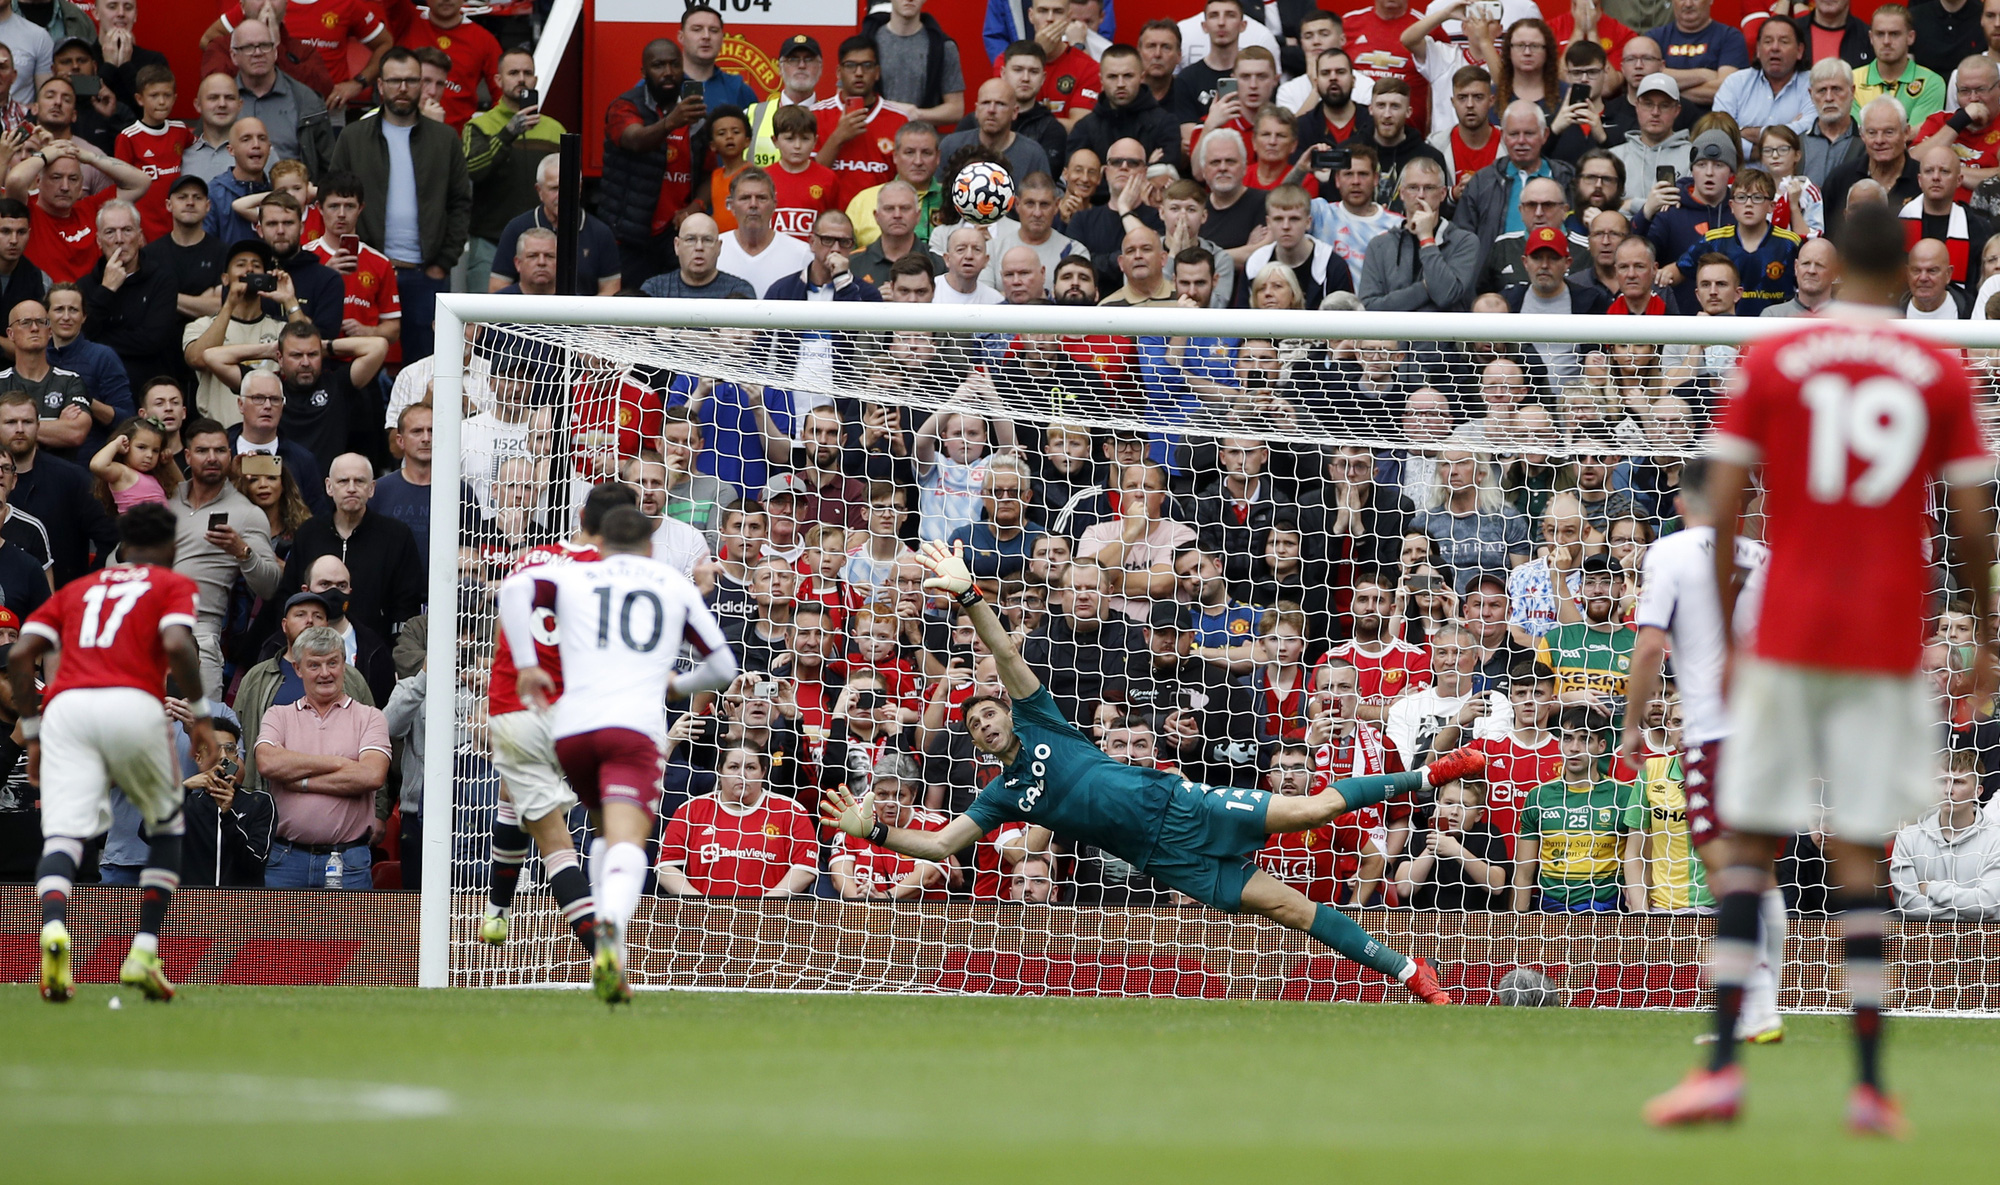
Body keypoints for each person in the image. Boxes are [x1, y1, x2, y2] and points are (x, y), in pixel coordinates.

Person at [1644, 205, 1997, 1134]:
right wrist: (1988, 633)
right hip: (1881, 643)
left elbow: (1724, 504)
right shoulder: (1940, 369)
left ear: (1834, 268)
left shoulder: (1774, 356)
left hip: (1792, 637)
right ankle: (1872, 1084)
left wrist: (1725, 621)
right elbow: (1967, 520)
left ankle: (1720, 1068)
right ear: (1905, 271)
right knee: (1858, 857)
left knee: (1748, 851)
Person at [824, 540, 1484, 1002]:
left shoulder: (1043, 720)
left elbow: (1000, 644)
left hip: (1183, 803)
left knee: (1310, 809)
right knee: (1291, 907)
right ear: (976, 745)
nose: (984, 723)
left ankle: (1428, 775)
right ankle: (1410, 972)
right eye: (973, 726)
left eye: (990, 712)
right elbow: (940, 845)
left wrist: (971, 595)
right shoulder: (1004, 793)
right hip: (1168, 859)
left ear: (1009, 710)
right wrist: (873, 833)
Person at [499, 504, 738, 1004]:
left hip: (573, 732)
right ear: (651, 547)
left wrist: (525, 665)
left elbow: (516, 590)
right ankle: (611, 935)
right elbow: (722, 665)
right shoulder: (671, 583)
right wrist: (678, 684)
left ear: (600, 543)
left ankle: (585, 932)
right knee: (629, 840)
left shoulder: (574, 576)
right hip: (633, 731)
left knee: (603, 828)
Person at [20, 503, 216, 1003]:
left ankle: (54, 929)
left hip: (65, 707)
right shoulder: (171, 584)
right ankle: (145, 949)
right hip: (132, 701)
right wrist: (201, 714)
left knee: (64, 835)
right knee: (167, 824)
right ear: (173, 547)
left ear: (122, 547)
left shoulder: (78, 588)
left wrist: (34, 731)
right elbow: (176, 642)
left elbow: (21, 655)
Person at [478, 482, 636, 955]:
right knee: (523, 805)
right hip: (579, 718)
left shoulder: (533, 558)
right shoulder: (616, 580)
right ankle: (500, 912)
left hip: (516, 710)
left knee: (553, 842)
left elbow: (508, 602)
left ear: (582, 515)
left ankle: (507, 914)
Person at [327, 46, 472, 364]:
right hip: (366, 271)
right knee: (358, 360)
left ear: (422, 84)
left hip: (424, 273)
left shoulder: (445, 139)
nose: (402, 88)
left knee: (428, 366)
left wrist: (442, 263)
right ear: (380, 86)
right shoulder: (353, 137)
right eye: (394, 81)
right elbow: (334, 199)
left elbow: (461, 202)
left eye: (410, 80)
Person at [252, 622, 389, 890]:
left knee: (348, 934)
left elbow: (372, 775)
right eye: (314, 665)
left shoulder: (370, 717)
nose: (325, 673)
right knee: (282, 934)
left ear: (345, 664)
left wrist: (301, 781)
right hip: (285, 860)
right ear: (298, 669)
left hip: (348, 860)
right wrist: (340, 763)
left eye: (332, 663)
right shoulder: (278, 715)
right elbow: (267, 763)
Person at [598, 39, 710, 289]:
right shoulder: (625, 106)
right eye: (659, 65)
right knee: (630, 312)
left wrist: (696, 205)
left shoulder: (696, 116)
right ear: (643, 72)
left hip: (677, 235)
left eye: (674, 64)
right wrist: (672, 121)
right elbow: (634, 140)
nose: (668, 72)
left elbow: (709, 173)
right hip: (630, 236)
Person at [658, 740, 818, 896]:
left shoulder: (790, 811)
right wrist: (700, 905)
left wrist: (764, 906)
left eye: (751, 767)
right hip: (704, 919)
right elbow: (665, 867)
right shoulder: (691, 810)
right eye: (733, 767)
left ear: (763, 771)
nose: (742, 774)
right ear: (720, 770)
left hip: (769, 918)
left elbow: (806, 868)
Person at [460, 48, 559, 296]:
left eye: (528, 73)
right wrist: (508, 132)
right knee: (485, 324)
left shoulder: (555, 129)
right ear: (498, 80)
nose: (522, 79)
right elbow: (473, 169)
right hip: (490, 242)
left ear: (535, 80)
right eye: (513, 73)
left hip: (542, 248)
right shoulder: (479, 125)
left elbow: (569, 187)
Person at [7, 137, 150, 284]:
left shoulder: (93, 209)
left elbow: (141, 182)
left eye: (73, 179)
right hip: (47, 303)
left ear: (82, 185)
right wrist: (42, 155)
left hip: (94, 301)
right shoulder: (26, 213)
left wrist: (89, 157)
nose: (65, 186)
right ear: (39, 182)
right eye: (56, 178)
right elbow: (15, 180)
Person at [490, 154, 621, 297]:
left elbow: (611, 290)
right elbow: (498, 288)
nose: (562, 195)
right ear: (539, 191)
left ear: (580, 188)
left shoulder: (600, 233)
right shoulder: (516, 228)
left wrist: (581, 317)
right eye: (554, 188)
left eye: (569, 188)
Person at [1890, 748, 2000, 919]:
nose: (1948, 790)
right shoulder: (1908, 838)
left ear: (1977, 791)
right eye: (1942, 781)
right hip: (1920, 942)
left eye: (1959, 782)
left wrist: (1930, 888)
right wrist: (1969, 914)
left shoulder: (1995, 839)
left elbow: (1988, 904)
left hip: (1981, 944)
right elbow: (1907, 906)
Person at [228, 18, 333, 175]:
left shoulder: (306, 100)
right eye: (248, 47)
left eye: (264, 46)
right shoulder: (221, 101)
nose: (258, 53)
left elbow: (329, 167)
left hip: (292, 196)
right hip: (234, 195)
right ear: (234, 56)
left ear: (275, 51)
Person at [1392, 778, 1509, 910]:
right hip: (1427, 922)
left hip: (1476, 923)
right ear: (1438, 806)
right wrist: (1436, 840)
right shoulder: (1420, 835)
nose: (1454, 811)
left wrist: (1457, 851)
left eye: (1465, 806)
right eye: (1448, 803)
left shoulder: (1489, 834)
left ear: (1478, 815)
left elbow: (1496, 886)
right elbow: (1404, 888)